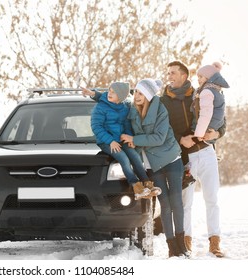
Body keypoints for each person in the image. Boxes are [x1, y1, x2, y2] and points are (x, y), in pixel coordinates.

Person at [161, 61, 227, 257]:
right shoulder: (163, 101)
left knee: (212, 199)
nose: (170, 76)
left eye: (173, 73)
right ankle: (186, 242)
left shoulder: (202, 93)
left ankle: (214, 242)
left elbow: (221, 118)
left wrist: (217, 134)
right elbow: (162, 130)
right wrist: (180, 139)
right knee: (184, 203)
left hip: (207, 152)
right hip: (182, 157)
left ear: (184, 75)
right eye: (169, 73)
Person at [120, 78, 190, 258]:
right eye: (135, 92)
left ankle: (182, 246)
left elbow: (158, 138)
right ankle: (172, 247)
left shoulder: (161, 111)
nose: (136, 96)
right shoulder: (132, 112)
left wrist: (135, 140)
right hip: (153, 163)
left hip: (171, 159)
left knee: (176, 203)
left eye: (141, 93)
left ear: (149, 96)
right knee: (164, 204)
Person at [82, 83, 161, 199]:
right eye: (109, 90)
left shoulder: (125, 107)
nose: (109, 93)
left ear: (121, 96)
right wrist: (110, 141)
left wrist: (129, 138)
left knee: (135, 156)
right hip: (106, 141)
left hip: (120, 139)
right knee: (123, 158)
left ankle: (147, 184)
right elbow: (96, 127)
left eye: (113, 92)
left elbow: (127, 124)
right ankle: (136, 186)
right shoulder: (100, 107)